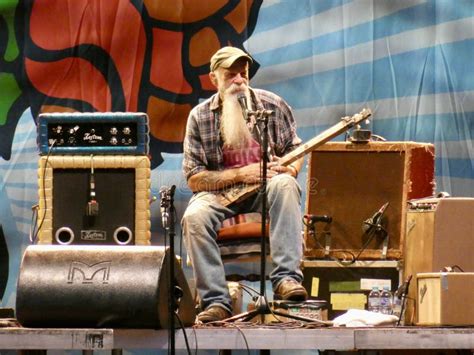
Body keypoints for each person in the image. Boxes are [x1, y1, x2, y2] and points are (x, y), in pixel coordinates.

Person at [182, 46, 307, 323]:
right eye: (230, 75)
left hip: (266, 189)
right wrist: (240, 174)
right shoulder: (199, 116)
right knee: (194, 217)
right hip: (220, 193)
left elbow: (296, 149)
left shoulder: (272, 105)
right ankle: (216, 301)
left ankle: (286, 279)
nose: (238, 80)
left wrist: (290, 167)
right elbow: (194, 177)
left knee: (285, 184)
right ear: (214, 79)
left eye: (243, 73)